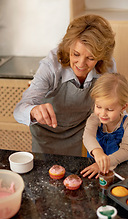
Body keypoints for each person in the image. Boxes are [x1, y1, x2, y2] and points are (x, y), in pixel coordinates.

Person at [13, 14, 116, 156]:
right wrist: (33, 110)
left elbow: (112, 104)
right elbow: (19, 110)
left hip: (82, 135)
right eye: (76, 54)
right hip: (46, 138)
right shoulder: (51, 66)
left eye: (90, 58)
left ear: (100, 57)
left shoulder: (107, 67)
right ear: (68, 48)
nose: (81, 64)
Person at [81, 73, 128, 179]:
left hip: (119, 171)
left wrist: (104, 163)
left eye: (109, 109)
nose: (102, 113)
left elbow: (126, 150)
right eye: (98, 106)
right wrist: (98, 153)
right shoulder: (94, 119)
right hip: (93, 170)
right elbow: (88, 137)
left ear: (123, 107)